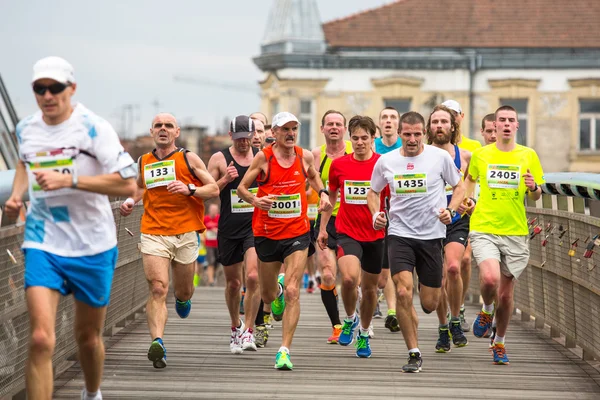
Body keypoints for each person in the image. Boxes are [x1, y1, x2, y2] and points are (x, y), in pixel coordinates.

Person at [4, 56, 137, 400]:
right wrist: (17, 195)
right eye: (39, 89)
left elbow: (128, 184)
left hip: (92, 245)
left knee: (88, 339)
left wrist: (71, 179)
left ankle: (91, 393)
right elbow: (23, 162)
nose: (47, 95)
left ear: (71, 89)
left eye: (55, 88)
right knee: (40, 338)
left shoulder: (93, 128)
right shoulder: (27, 128)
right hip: (43, 241)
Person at [120, 112, 219, 369]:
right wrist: (131, 201)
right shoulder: (143, 160)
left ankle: (184, 299)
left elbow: (213, 189)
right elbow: (139, 187)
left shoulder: (188, 158)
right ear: (152, 132)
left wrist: (190, 189)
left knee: (182, 291)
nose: (163, 129)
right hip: (153, 232)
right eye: (158, 125)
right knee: (158, 288)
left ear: (177, 132)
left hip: (186, 233)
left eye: (168, 126)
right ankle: (158, 343)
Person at [368, 111, 464, 373]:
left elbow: (460, 186)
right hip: (399, 235)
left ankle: (425, 309)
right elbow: (373, 192)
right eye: (407, 134)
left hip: (431, 236)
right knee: (402, 291)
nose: (412, 139)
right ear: (399, 134)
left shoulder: (439, 157)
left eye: (417, 134)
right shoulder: (386, 161)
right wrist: (376, 213)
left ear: (425, 134)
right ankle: (414, 352)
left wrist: (451, 210)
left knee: (429, 304)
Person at [237, 111, 332, 370]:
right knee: (268, 293)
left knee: (293, 291)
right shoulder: (263, 158)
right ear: (274, 134)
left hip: (297, 233)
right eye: (285, 129)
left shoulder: (304, 156)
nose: (290, 134)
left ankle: (284, 350)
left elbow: (313, 175)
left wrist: (322, 192)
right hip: (267, 233)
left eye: (294, 129)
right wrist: (255, 200)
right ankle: (275, 292)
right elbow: (242, 189)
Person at [464, 105, 544, 365]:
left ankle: (499, 342)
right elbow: (469, 181)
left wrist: (534, 188)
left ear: (517, 125)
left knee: (507, 296)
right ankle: (487, 311)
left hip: (515, 230)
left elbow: (536, 193)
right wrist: (465, 200)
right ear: (494, 126)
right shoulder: (482, 155)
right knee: (489, 279)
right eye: (502, 120)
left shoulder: (528, 155)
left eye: (511, 120)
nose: (507, 124)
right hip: (485, 226)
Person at [317, 115, 387, 358]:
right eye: (355, 138)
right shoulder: (339, 165)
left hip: (375, 234)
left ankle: (364, 334)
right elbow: (332, 199)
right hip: (346, 230)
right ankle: (349, 319)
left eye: (364, 138)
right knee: (347, 279)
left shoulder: (383, 164)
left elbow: (391, 199)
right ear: (350, 138)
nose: (359, 143)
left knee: (369, 290)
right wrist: (324, 228)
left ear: (373, 138)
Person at [207, 115, 265, 353]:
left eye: (247, 138)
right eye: (239, 139)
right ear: (231, 136)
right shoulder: (220, 158)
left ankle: (249, 331)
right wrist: (224, 179)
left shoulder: (261, 157)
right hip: (229, 228)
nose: (244, 143)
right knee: (233, 284)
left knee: (252, 277)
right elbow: (208, 190)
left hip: (254, 227)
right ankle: (235, 327)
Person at [426, 105, 474, 352]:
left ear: (453, 126)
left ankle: (456, 319)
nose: (439, 126)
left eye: (444, 121)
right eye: (435, 122)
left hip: (456, 219)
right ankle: (443, 326)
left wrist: (471, 202)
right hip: (429, 222)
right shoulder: (421, 154)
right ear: (429, 127)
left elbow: (469, 187)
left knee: (454, 268)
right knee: (440, 277)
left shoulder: (464, 156)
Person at [311, 110, 353, 344]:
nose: (334, 127)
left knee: (350, 278)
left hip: (353, 220)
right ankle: (337, 325)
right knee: (328, 274)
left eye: (338, 124)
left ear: (344, 129)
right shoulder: (317, 155)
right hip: (327, 220)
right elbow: (310, 182)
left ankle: (352, 317)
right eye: (330, 124)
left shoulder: (354, 150)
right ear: (322, 129)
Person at [441, 99, 481, 332]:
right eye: (446, 116)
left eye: (453, 115)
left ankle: (459, 307)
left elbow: (473, 180)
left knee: (461, 262)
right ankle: (449, 313)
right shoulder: (434, 146)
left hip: (466, 213)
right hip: (439, 215)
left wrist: (471, 200)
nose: (450, 120)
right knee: (445, 271)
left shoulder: (472, 147)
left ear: (461, 117)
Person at [374, 107, 402, 333]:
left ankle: (393, 312)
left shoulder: (407, 147)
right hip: (376, 212)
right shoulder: (372, 146)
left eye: (393, 117)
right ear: (379, 123)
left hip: (400, 213)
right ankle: (373, 296)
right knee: (380, 276)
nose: (389, 121)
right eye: (385, 117)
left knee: (394, 266)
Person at [203, 203, 220, 287]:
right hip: (209, 244)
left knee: (217, 262)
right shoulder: (205, 219)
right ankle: (210, 281)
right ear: (209, 210)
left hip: (218, 244)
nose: (213, 211)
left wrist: (217, 230)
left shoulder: (219, 218)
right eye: (212, 209)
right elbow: (202, 230)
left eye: (215, 210)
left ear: (217, 211)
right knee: (211, 261)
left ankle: (213, 275)